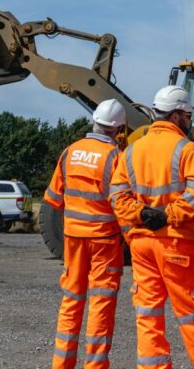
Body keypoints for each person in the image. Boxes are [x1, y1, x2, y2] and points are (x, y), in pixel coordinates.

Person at [109, 85, 194, 369]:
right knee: (193, 317)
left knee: (148, 316)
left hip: (142, 245)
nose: (189, 121)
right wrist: (167, 215)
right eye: (187, 115)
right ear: (177, 116)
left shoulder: (132, 150)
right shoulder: (186, 148)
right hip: (176, 242)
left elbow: (117, 197)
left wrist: (142, 214)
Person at [44, 99, 127, 369]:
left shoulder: (70, 152)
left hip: (73, 240)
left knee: (72, 300)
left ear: (94, 121)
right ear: (118, 129)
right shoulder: (116, 157)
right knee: (100, 304)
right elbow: (123, 202)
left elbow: (54, 199)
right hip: (104, 240)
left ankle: (62, 364)